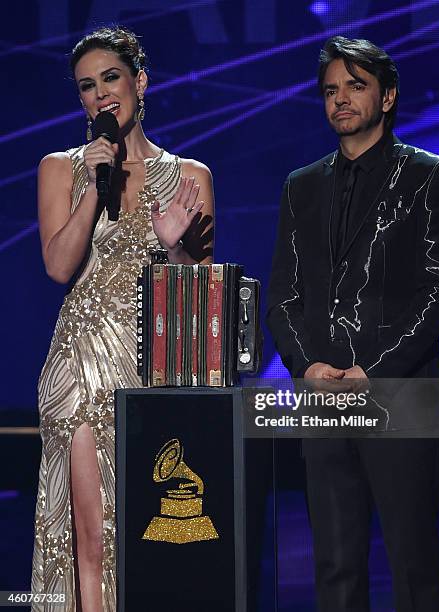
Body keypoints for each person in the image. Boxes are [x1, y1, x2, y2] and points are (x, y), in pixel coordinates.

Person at [267, 36, 439, 611]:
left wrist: (372, 372)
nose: (341, 100)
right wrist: (306, 365)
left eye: (355, 86)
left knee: (414, 564)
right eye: (331, 90)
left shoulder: (430, 175)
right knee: (335, 567)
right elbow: (282, 293)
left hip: (400, 394)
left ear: (388, 96)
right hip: (322, 397)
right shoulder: (300, 186)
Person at [31, 26, 214, 611]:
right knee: (95, 533)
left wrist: (174, 247)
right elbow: (59, 266)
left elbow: (198, 301)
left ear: (140, 81)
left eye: (110, 78)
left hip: (154, 374)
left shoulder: (190, 178)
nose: (100, 95)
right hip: (82, 368)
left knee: (148, 534)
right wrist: (95, 182)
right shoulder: (61, 168)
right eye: (87, 86)